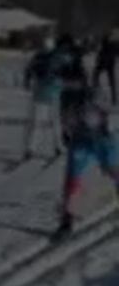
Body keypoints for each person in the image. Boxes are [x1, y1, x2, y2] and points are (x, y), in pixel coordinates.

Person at [52, 86, 119, 241]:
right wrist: (67, 132)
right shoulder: (66, 100)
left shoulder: (91, 95)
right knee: (72, 181)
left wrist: (100, 110)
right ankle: (66, 223)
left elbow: (107, 108)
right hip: (81, 142)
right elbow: (66, 124)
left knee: (114, 172)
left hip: (103, 141)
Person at [22, 36, 67, 160]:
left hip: (42, 93)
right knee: (53, 121)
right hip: (51, 93)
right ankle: (56, 146)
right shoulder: (57, 57)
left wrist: (26, 81)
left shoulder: (39, 57)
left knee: (39, 122)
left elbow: (28, 70)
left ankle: (32, 148)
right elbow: (66, 72)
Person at [56, 33, 89, 146]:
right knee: (73, 111)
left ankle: (69, 133)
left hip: (71, 85)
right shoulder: (73, 52)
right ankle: (70, 133)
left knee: (70, 111)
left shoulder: (64, 53)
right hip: (74, 84)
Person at [93, 33, 118, 105]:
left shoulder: (106, 46)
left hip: (105, 64)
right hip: (109, 64)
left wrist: (98, 61)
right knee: (112, 82)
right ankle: (114, 98)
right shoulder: (111, 45)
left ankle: (96, 88)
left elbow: (100, 56)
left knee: (96, 75)